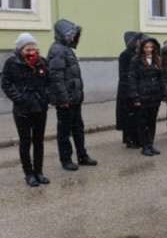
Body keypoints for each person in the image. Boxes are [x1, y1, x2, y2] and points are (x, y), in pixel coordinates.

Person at [47, 19, 98, 171]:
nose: (73, 36)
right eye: (71, 34)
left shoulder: (66, 49)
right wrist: (63, 100)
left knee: (78, 128)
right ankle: (66, 160)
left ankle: (82, 156)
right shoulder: (57, 50)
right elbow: (56, 78)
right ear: (63, 34)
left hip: (74, 98)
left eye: (74, 34)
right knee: (64, 131)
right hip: (65, 101)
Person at [1, 33, 51, 186]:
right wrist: (19, 97)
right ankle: (29, 174)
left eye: (33, 49)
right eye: (27, 50)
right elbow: (5, 83)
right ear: (20, 49)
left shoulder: (42, 62)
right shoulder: (12, 63)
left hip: (40, 108)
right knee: (25, 142)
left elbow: (49, 82)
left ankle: (39, 172)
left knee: (38, 142)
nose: (31, 53)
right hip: (22, 110)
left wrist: (46, 96)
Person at [129, 36, 167, 156]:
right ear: (142, 48)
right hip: (142, 96)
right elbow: (132, 79)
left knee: (152, 122)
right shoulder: (136, 60)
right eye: (146, 47)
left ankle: (150, 144)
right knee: (142, 123)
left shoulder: (156, 60)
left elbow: (161, 79)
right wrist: (135, 97)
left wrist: (164, 93)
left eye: (151, 47)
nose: (149, 49)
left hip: (155, 96)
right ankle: (144, 146)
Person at [116, 31, 143, 148]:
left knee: (135, 116)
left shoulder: (136, 53)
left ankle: (136, 138)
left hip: (134, 87)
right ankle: (130, 140)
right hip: (127, 89)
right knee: (128, 116)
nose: (140, 42)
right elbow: (124, 74)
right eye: (137, 40)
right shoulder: (125, 55)